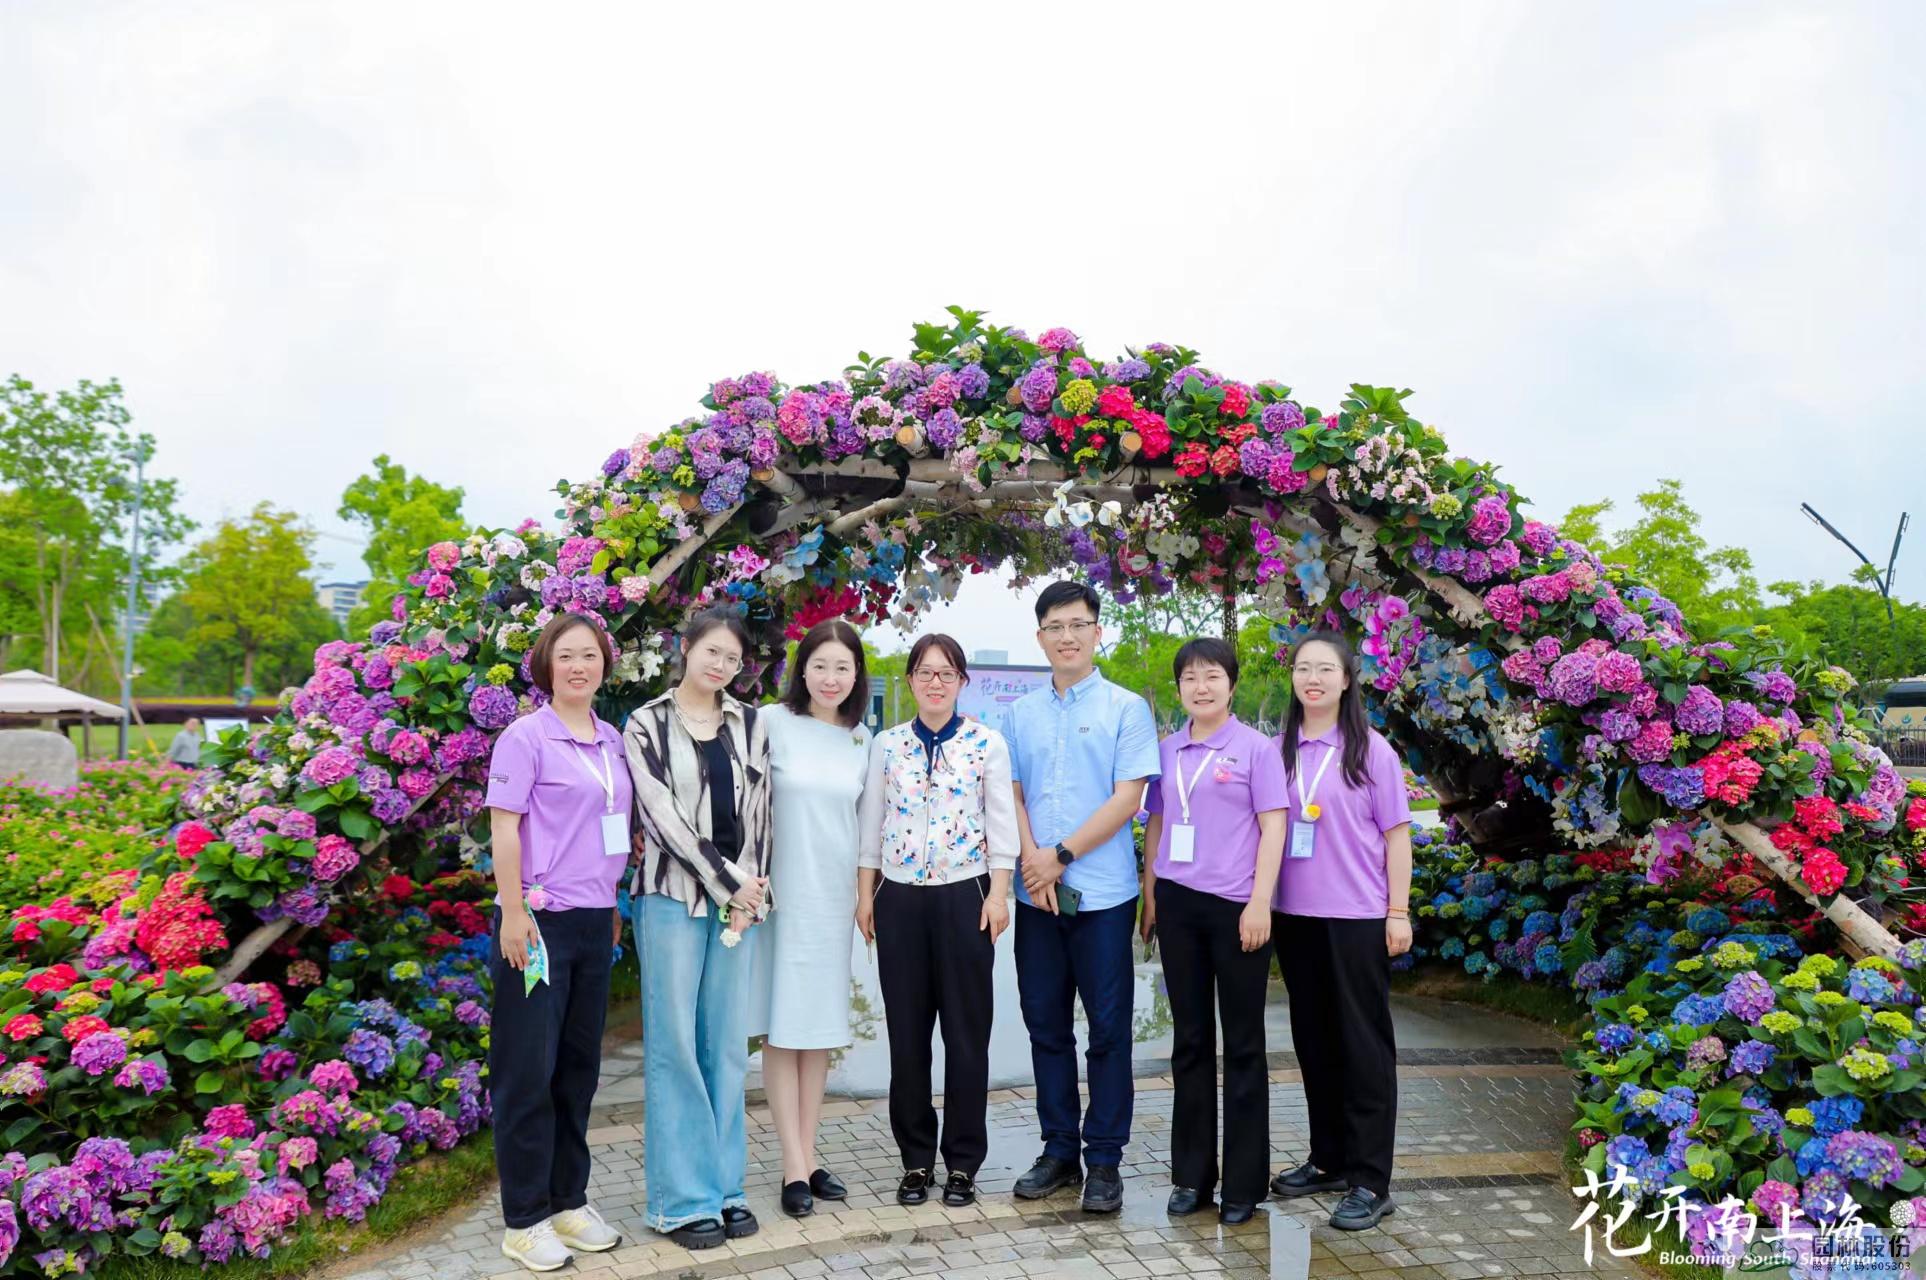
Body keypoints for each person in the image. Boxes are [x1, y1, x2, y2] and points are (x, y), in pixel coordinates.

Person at [1003, 581, 1159, 1213]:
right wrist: (1034, 866)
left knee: (1108, 1031)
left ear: (1098, 631)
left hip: (1104, 898)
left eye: (1077, 624)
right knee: (1045, 1026)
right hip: (1036, 899)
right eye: (1054, 627)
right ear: (1040, 637)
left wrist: (1059, 856)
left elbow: (1128, 798)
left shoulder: (1127, 709)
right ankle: (1060, 1149)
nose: (1066, 637)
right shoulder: (1019, 714)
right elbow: (1011, 794)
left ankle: (1104, 1160)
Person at [484, 613, 631, 1271]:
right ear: (546, 665)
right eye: (566, 655)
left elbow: (609, 829)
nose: (579, 666)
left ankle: (568, 1201)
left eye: (590, 655)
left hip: (594, 922)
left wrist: (612, 903)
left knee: (578, 1071)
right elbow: (504, 830)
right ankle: (524, 1219)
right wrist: (513, 912)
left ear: (604, 665)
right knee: (527, 1071)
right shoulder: (525, 738)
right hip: (537, 926)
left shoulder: (611, 740)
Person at [623, 609, 774, 1251]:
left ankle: (726, 1189)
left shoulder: (750, 723)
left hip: (737, 905)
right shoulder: (646, 724)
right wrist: (730, 882)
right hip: (670, 899)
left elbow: (761, 813)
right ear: (685, 648)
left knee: (726, 1046)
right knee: (676, 1046)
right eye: (712, 652)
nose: (721, 666)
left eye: (732, 659)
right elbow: (663, 820)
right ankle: (682, 1201)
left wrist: (752, 893)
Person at [856, 633, 1016, 1209]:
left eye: (947, 673)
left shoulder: (986, 744)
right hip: (899, 897)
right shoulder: (887, 745)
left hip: (965, 895)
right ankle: (916, 1160)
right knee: (908, 1037)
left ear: (962, 682)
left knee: (967, 1036)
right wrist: (866, 895)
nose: (935, 682)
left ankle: (963, 1163)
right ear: (910, 680)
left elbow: (1002, 826)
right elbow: (870, 824)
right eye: (925, 672)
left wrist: (998, 896)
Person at [1267, 629, 1413, 1232]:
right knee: (1315, 1042)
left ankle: (1371, 1180)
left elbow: (1397, 837)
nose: (1314, 678)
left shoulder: (1371, 751)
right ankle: (1329, 1159)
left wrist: (1398, 911)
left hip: (1357, 917)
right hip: (1294, 917)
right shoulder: (1278, 750)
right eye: (1304, 667)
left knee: (1363, 1047)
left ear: (1347, 680)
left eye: (1326, 668)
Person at [1139, 637, 1287, 1223]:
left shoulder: (1256, 750)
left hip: (1237, 908)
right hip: (1178, 905)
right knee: (1191, 1041)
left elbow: (1273, 829)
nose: (1201, 687)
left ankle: (1244, 1184)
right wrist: (1151, 894)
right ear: (1179, 687)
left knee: (1244, 1044)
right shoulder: (1167, 750)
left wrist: (1260, 903)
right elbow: (1157, 824)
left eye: (1212, 676)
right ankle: (1192, 1176)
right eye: (1190, 678)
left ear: (1231, 684)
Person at [748, 619, 872, 1218]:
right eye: (820, 665)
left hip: (831, 898)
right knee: (783, 1025)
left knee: (818, 1028)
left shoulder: (861, 739)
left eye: (842, 667)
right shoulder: (770, 723)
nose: (830, 677)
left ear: (857, 675)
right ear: (802, 670)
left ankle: (810, 1152)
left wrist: (864, 897)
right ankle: (792, 1165)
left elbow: (866, 829)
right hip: (780, 895)